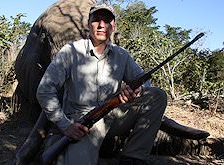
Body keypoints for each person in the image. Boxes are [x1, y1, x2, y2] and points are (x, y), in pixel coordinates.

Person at [36, 3, 167, 165]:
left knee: (157, 96)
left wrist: (136, 91)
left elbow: (145, 81)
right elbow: (44, 90)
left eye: (107, 21)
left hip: (113, 117)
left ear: (113, 26)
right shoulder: (70, 51)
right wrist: (65, 126)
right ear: (88, 24)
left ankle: (133, 157)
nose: (101, 25)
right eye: (96, 20)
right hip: (82, 124)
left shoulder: (122, 55)